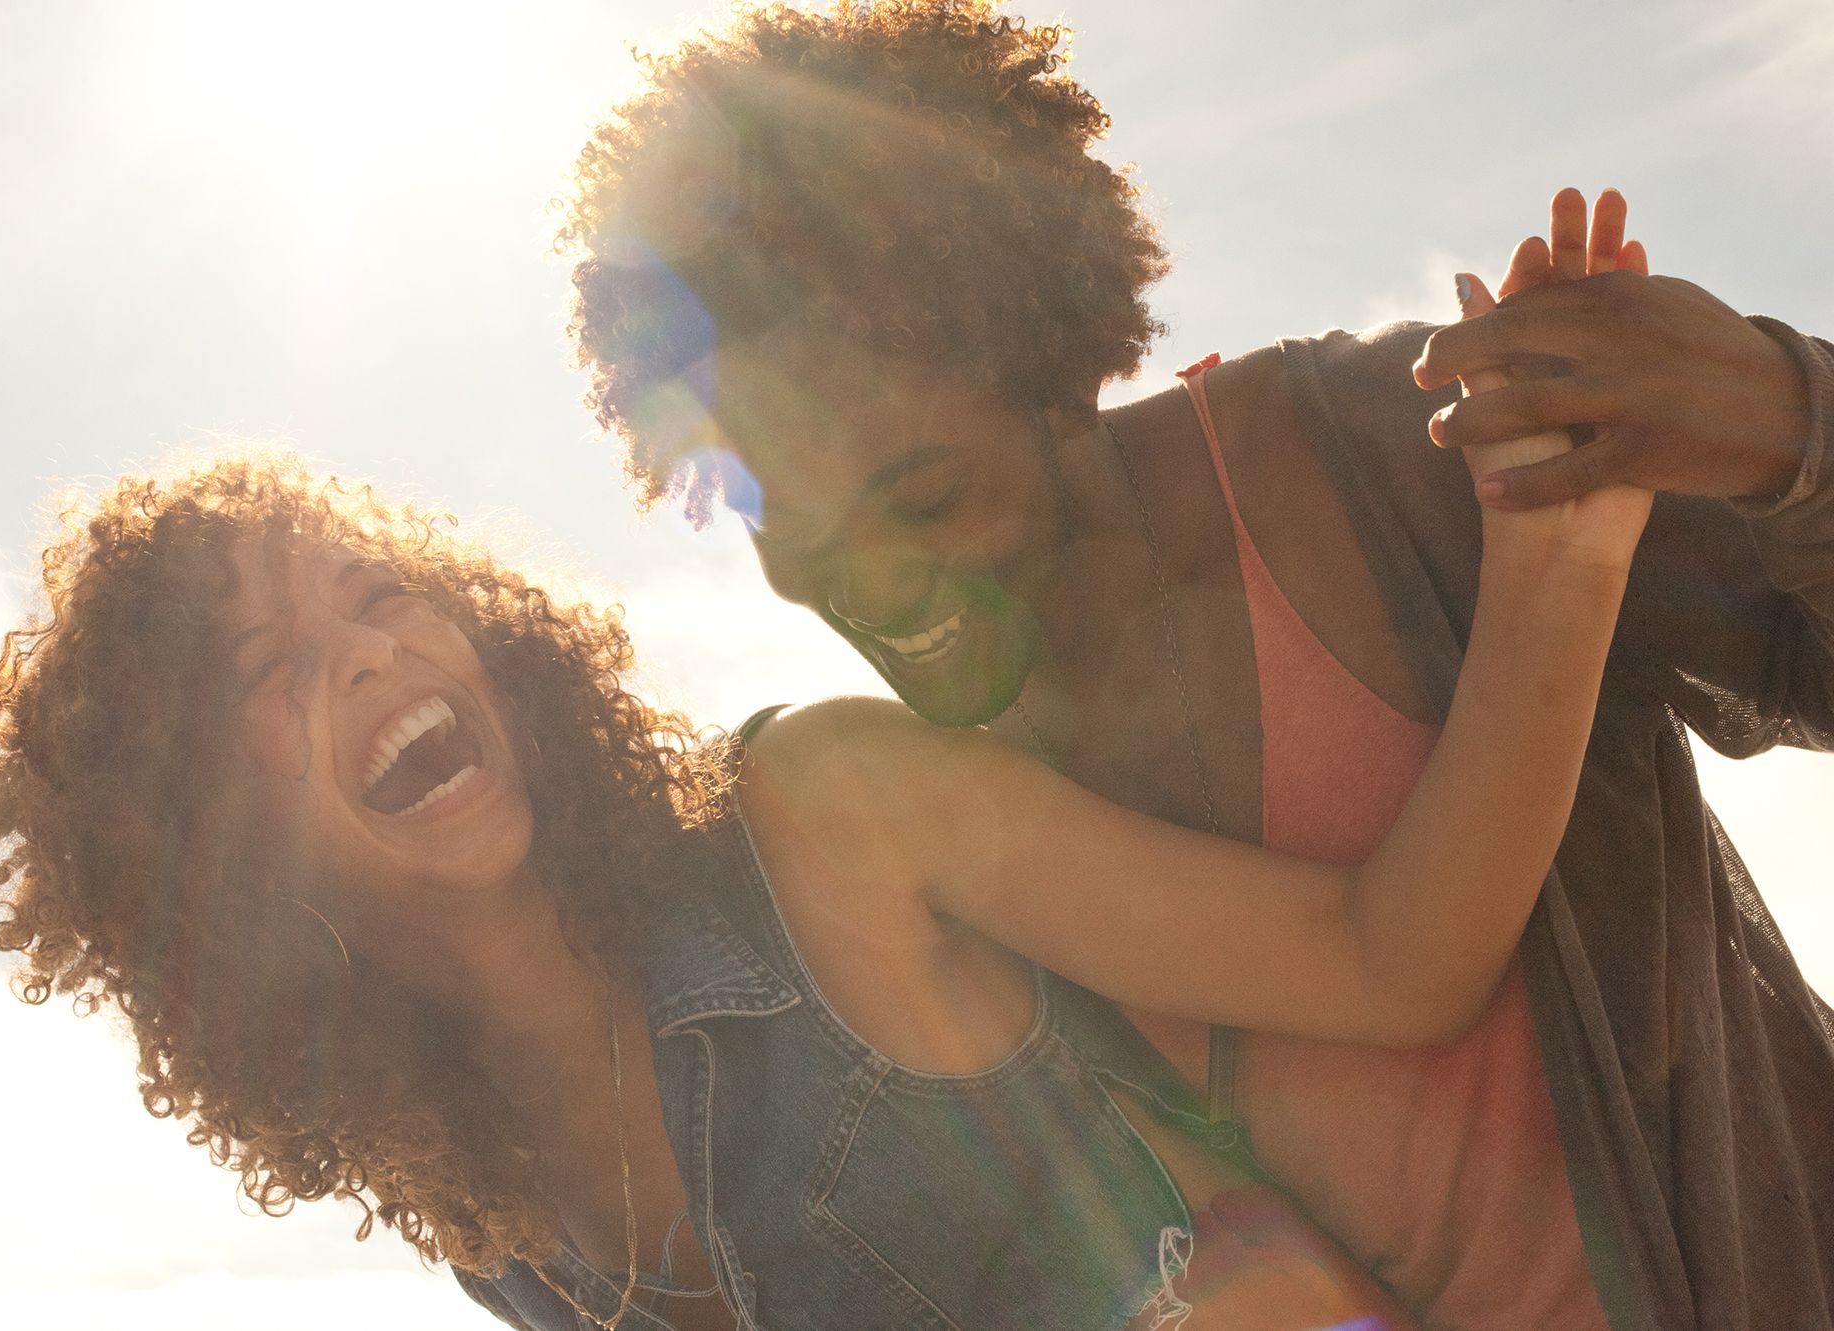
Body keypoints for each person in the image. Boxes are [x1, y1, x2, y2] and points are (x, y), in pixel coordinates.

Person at [557, 3, 1834, 1328]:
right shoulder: (923, 835)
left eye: (926, 499)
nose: (876, 590)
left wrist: (1783, 418)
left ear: (1053, 364)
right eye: (801, 543)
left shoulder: (1407, 456)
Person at [0, 351, 1640, 1331]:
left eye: (381, 598)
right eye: (272, 673)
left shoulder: (828, 816)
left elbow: (1390, 962)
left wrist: (1557, 559)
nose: (373, 651)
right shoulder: (489, 1222)